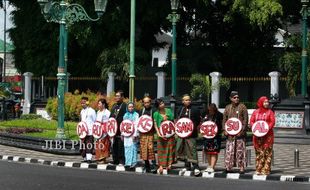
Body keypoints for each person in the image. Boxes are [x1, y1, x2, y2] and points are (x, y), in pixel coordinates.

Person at [222, 91, 248, 174]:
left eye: (237, 97)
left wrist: (242, 131)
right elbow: (224, 120)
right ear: (231, 98)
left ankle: (241, 167)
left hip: (240, 135)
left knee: (240, 151)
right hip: (229, 135)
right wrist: (224, 130)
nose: (236, 99)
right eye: (234, 97)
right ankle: (228, 167)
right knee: (229, 151)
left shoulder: (242, 107)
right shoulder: (227, 107)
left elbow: (245, 120)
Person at [176, 94, 201, 176]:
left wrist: (192, 127)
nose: (188, 101)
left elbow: (198, 120)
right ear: (183, 101)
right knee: (184, 150)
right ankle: (187, 166)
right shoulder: (180, 109)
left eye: (189, 100)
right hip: (182, 134)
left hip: (191, 134)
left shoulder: (195, 110)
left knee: (192, 149)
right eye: (186, 100)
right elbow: (178, 120)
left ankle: (196, 167)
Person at [250, 96, 275, 175]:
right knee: (258, 152)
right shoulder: (255, 112)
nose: (266, 103)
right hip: (257, 136)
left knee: (267, 152)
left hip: (268, 136)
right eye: (264, 102)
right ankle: (258, 169)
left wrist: (266, 129)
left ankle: (266, 169)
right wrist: (254, 128)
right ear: (260, 102)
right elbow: (251, 121)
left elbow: (272, 122)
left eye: (267, 102)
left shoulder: (270, 112)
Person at [153, 98, 176, 174]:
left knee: (170, 148)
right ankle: (161, 165)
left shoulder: (168, 111)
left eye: (162, 103)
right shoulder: (156, 114)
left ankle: (169, 164)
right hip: (161, 133)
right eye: (160, 104)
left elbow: (173, 120)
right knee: (161, 150)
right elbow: (156, 125)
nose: (162, 104)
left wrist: (167, 119)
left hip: (170, 132)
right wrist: (159, 134)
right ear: (158, 106)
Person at [201, 103, 223, 173]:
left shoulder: (219, 115)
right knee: (207, 151)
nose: (211, 109)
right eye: (210, 108)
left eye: (213, 108)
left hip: (216, 136)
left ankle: (212, 166)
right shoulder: (205, 114)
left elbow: (222, 125)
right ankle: (209, 165)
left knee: (214, 152)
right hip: (206, 136)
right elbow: (202, 123)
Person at [139, 95, 156, 173]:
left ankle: (153, 165)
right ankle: (146, 166)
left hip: (150, 133)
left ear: (150, 102)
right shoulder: (141, 111)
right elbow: (138, 122)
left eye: (148, 102)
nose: (146, 104)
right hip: (142, 134)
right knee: (143, 149)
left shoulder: (154, 111)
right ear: (143, 103)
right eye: (145, 102)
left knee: (151, 148)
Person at [110, 90, 127, 165]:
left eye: (118, 96)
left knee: (121, 145)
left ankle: (121, 160)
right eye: (116, 96)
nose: (116, 97)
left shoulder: (124, 106)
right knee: (114, 145)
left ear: (122, 97)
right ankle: (115, 160)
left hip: (121, 129)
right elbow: (111, 117)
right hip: (114, 129)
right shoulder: (114, 105)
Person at [123, 102, 140, 168]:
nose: (131, 108)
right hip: (126, 134)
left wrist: (135, 134)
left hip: (133, 134)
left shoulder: (136, 115)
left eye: (132, 107)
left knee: (133, 147)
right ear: (127, 108)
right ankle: (127, 162)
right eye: (129, 107)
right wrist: (122, 134)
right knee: (126, 147)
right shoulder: (125, 115)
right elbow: (123, 125)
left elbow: (136, 125)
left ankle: (133, 162)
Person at [80, 97, 97, 163]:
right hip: (83, 132)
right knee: (83, 145)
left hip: (90, 131)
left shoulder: (92, 111)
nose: (83, 104)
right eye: (81, 102)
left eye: (84, 102)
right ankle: (85, 158)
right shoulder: (82, 111)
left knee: (89, 145)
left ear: (87, 102)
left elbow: (95, 120)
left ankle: (89, 159)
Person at [95, 98, 111, 164]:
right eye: (98, 104)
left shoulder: (107, 112)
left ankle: (103, 158)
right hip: (97, 129)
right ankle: (99, 158)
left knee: (104, 143)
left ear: (103, 104)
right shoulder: (98, 112)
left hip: (104, 130)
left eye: (99, 104)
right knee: (98, 143)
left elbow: (109, 121)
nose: (98, 105)